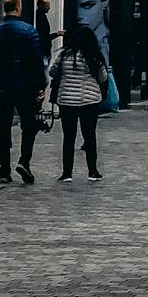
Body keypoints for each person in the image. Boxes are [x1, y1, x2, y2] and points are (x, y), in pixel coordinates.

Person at [0, 0, 47, 185]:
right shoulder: (29, 31)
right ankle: (24, 161)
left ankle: (4, 171)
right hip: (25, 87)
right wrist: (40, 86)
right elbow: (36, 62)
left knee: (3, 128)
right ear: (19, 8)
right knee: (29, 126)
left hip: (2, 87)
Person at [49, 22, 109, 182]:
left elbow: (52, 71)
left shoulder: (64, 55)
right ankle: (92, 171)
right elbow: (103, 77)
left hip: (67, 100)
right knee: (89, 136)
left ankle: (67, 173)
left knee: (69, 137)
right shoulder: (93, 56)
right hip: (89, 100)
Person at [34, 0, 53, 68]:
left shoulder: (40, 16)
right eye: (47, 6)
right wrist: (56, 34)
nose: (49, 8)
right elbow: (44, 36)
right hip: (44, 50)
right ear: (41, 6)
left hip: (44, 49)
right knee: (45, 71)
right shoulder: (41, 18)